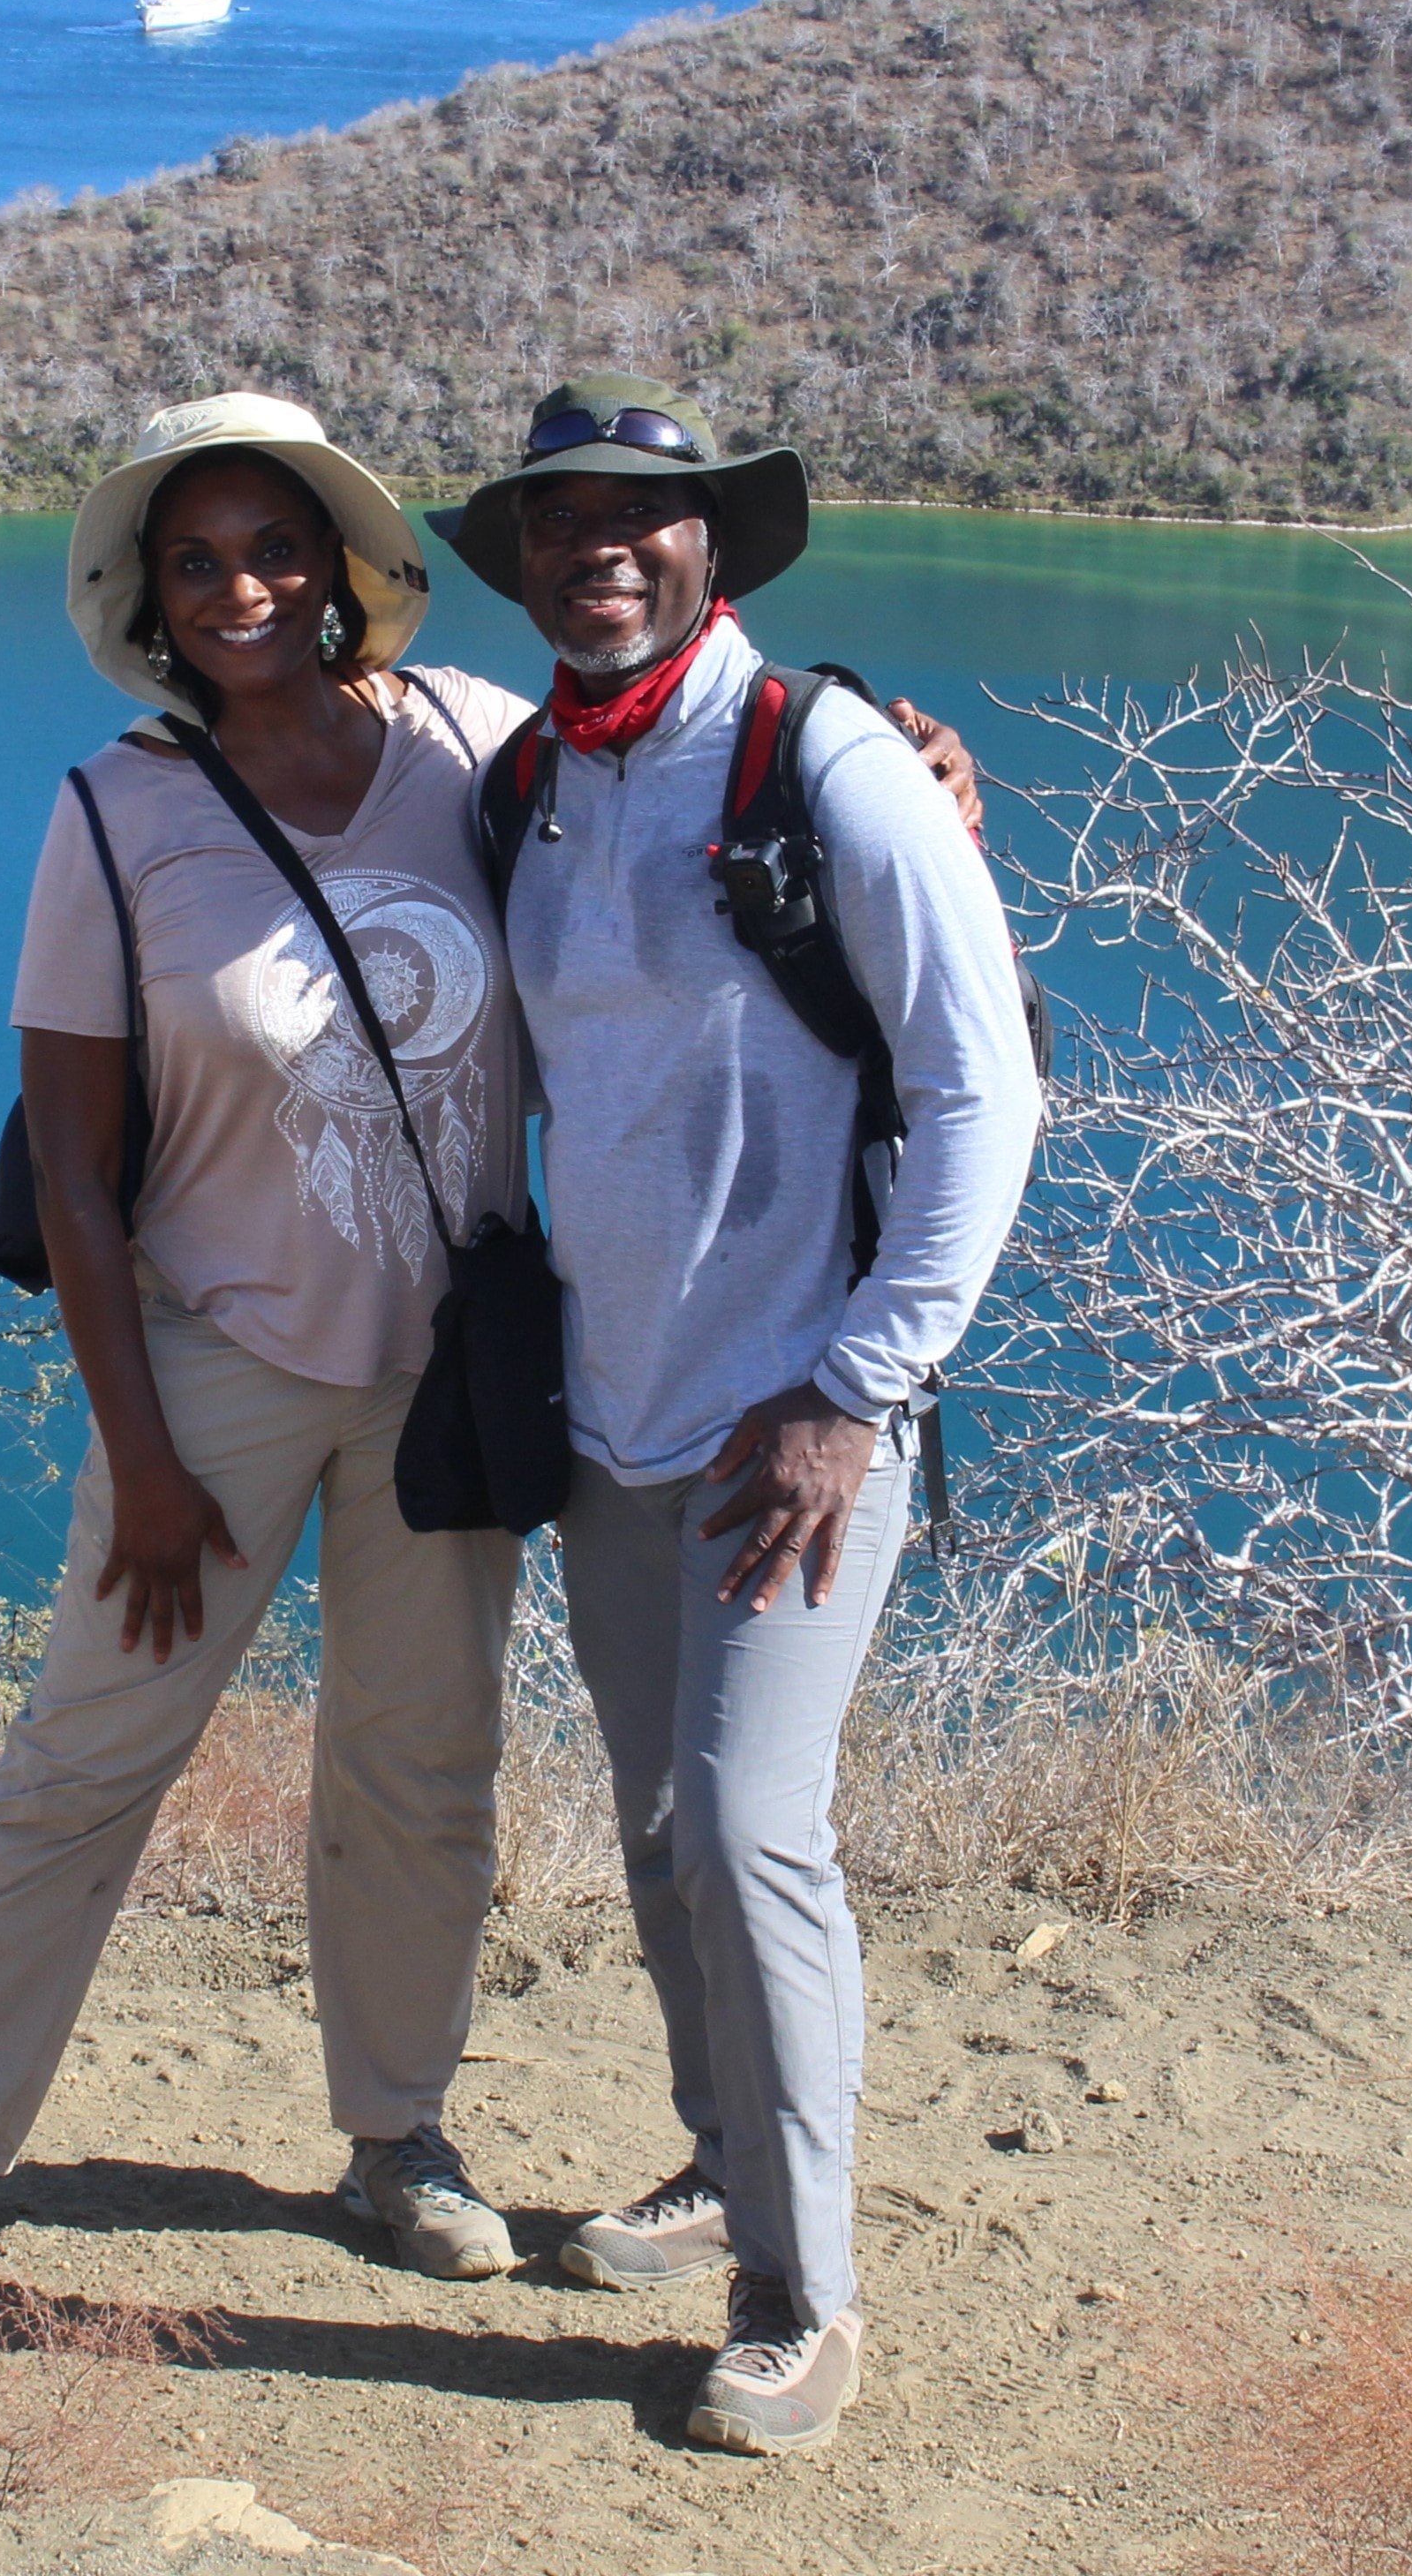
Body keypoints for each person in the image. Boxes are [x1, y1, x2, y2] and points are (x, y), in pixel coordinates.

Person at [0, 385, 989, 2315]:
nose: (236, 588)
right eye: (193, 560)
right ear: (147, 594)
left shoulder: (475, 745)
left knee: (419, 1768)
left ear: (341, 571)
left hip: (447, 1378)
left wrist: (914, 763)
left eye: (273, 549)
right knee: (82, 1756)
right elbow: (66, 1151)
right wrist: (133, 1446)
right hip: (214, 1373)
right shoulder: (115, 811)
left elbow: (709, 792)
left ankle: (398, 2142)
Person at [438, 375, 1039, 2455]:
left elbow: (984, 1095)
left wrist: (856, 1394)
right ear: (522, 553)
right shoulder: (532, 776)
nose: (601, 547)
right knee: (655, 1830)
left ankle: (807, 2294)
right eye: (560, 519)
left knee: (750, 1831)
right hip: (611, 1414)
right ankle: (721, 2162)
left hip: (790, 1417)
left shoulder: (828, 768)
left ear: (715, 546)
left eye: (646, 516)